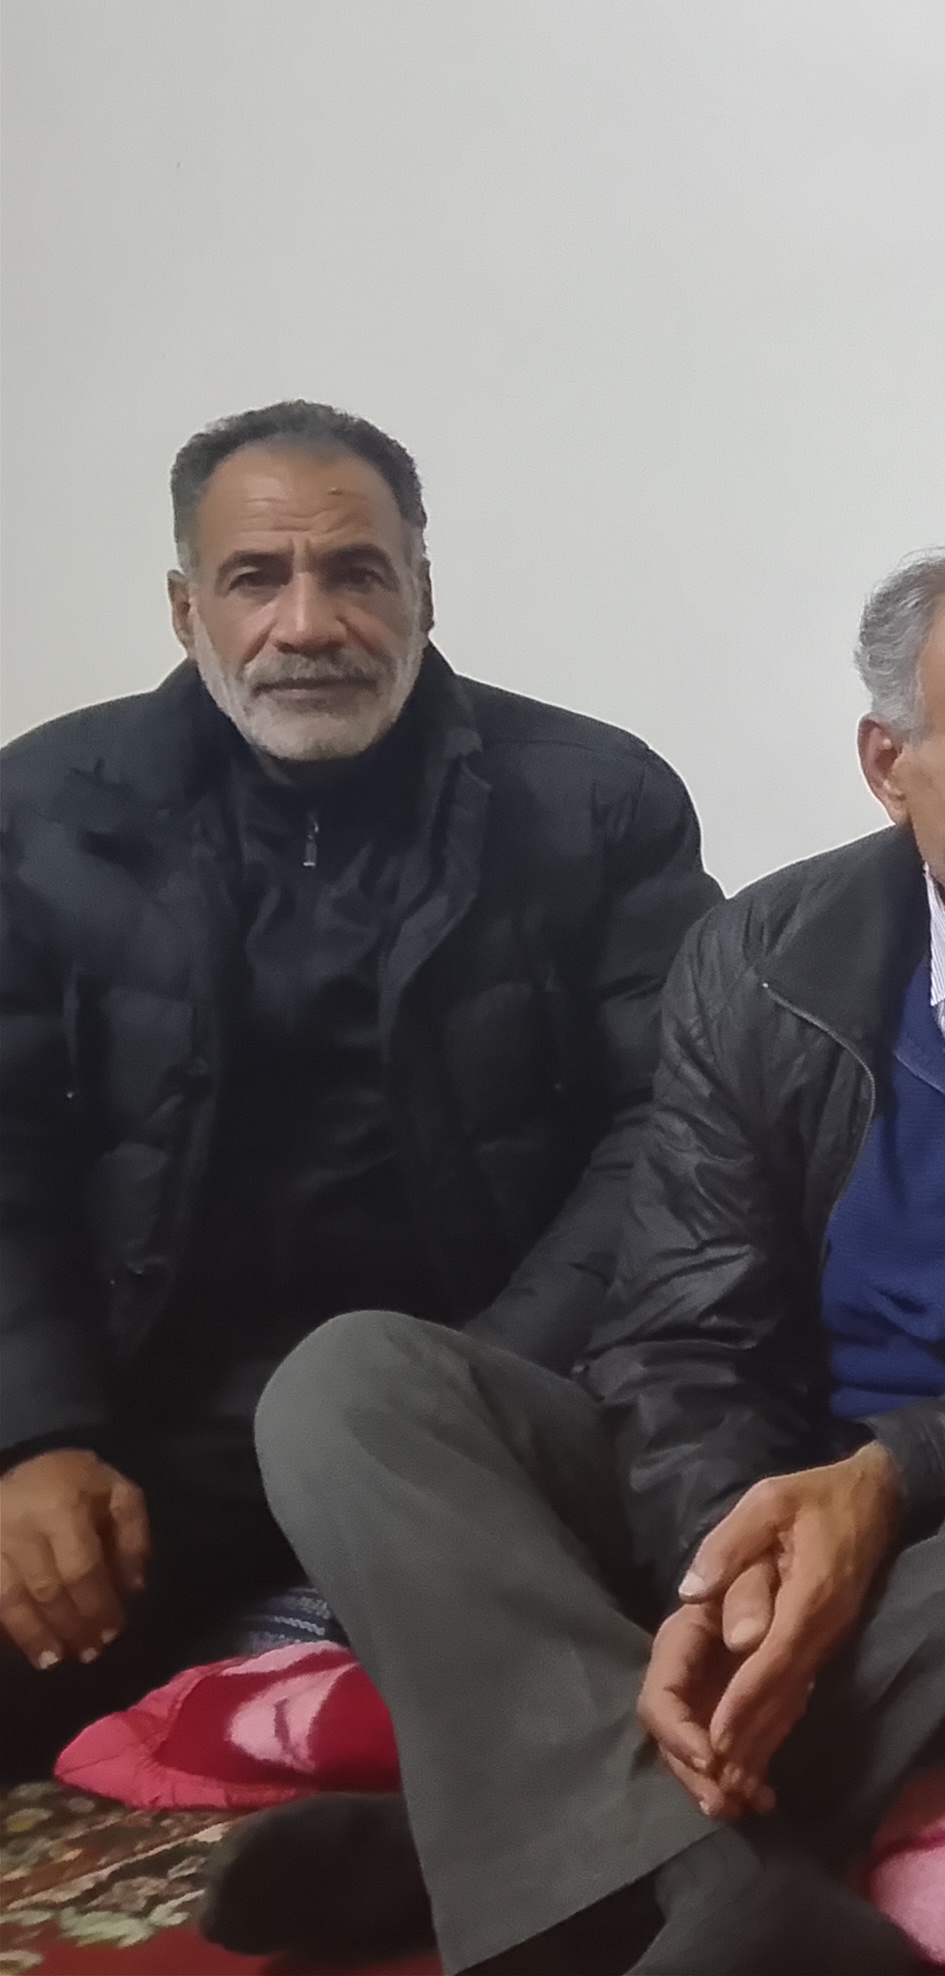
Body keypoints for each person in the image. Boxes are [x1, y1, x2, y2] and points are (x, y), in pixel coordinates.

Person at [201, 532, 945, 1976]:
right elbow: (686, 1329)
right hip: (784, 1475)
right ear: (889, 764)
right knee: (352, 1386)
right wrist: (730, 1564)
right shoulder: (755, 955)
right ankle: (689, 1870)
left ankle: (559, 1849)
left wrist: (890, 1480)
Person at [0, 400, 716, 1771]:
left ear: (423, 591)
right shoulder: (41, 813)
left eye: (356, 573)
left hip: (478, 1392)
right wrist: (34, 1437)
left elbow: (675, 1127)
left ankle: (314, 1667)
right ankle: (294, 1649)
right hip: (155, 1420)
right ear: (185, 610)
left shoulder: (597, 802)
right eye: (255, 578)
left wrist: (479, 1387)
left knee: (606, 1700)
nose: (308, 624)